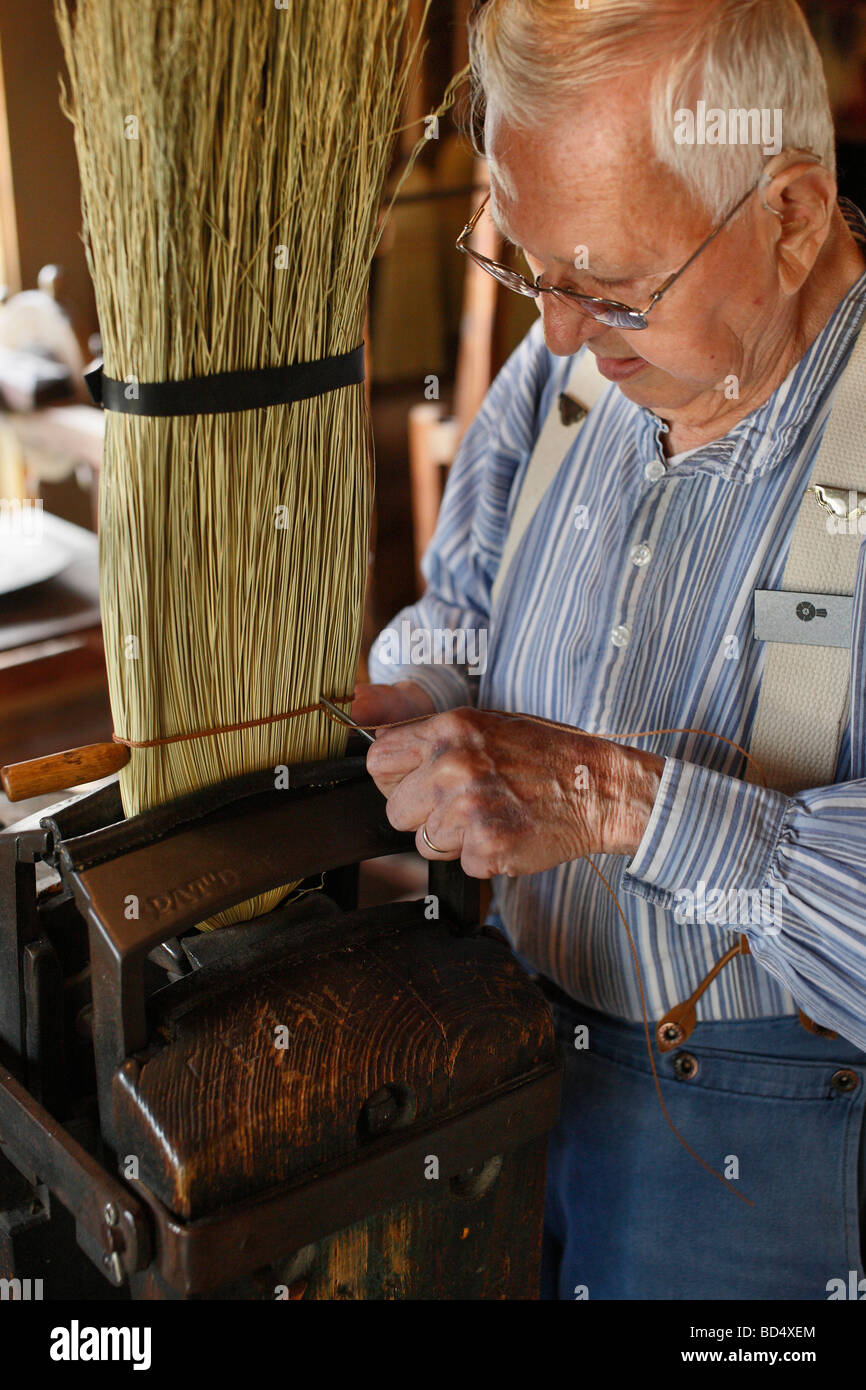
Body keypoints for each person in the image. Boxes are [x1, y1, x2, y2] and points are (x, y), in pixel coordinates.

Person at [354, 0, 866, 1300]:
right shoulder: (569, 368)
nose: (564, 332)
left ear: (791, 216)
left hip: (764, 1172)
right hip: (515, 1069)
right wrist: (413, 708)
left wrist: (617, 800)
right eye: (532, 271)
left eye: (613, 288)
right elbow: (462, 606)